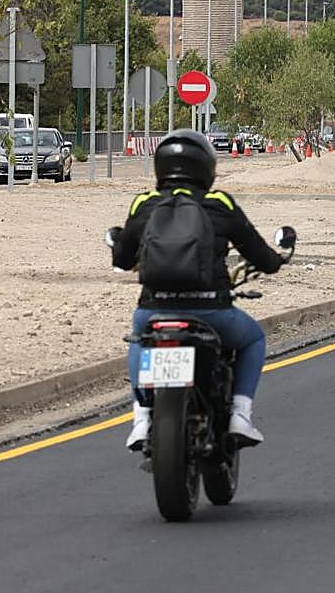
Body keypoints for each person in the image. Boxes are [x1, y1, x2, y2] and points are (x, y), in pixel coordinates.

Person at [108, 129, 285, 451]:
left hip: (154, 308)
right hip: (212, 311)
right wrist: (276, 259)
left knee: (139, 338)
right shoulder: (219, 203)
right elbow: (260, 254)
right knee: (253, 338)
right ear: (207, 166)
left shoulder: (145, 203)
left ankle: (141, 419)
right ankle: (240, 416)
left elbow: (121, 258)